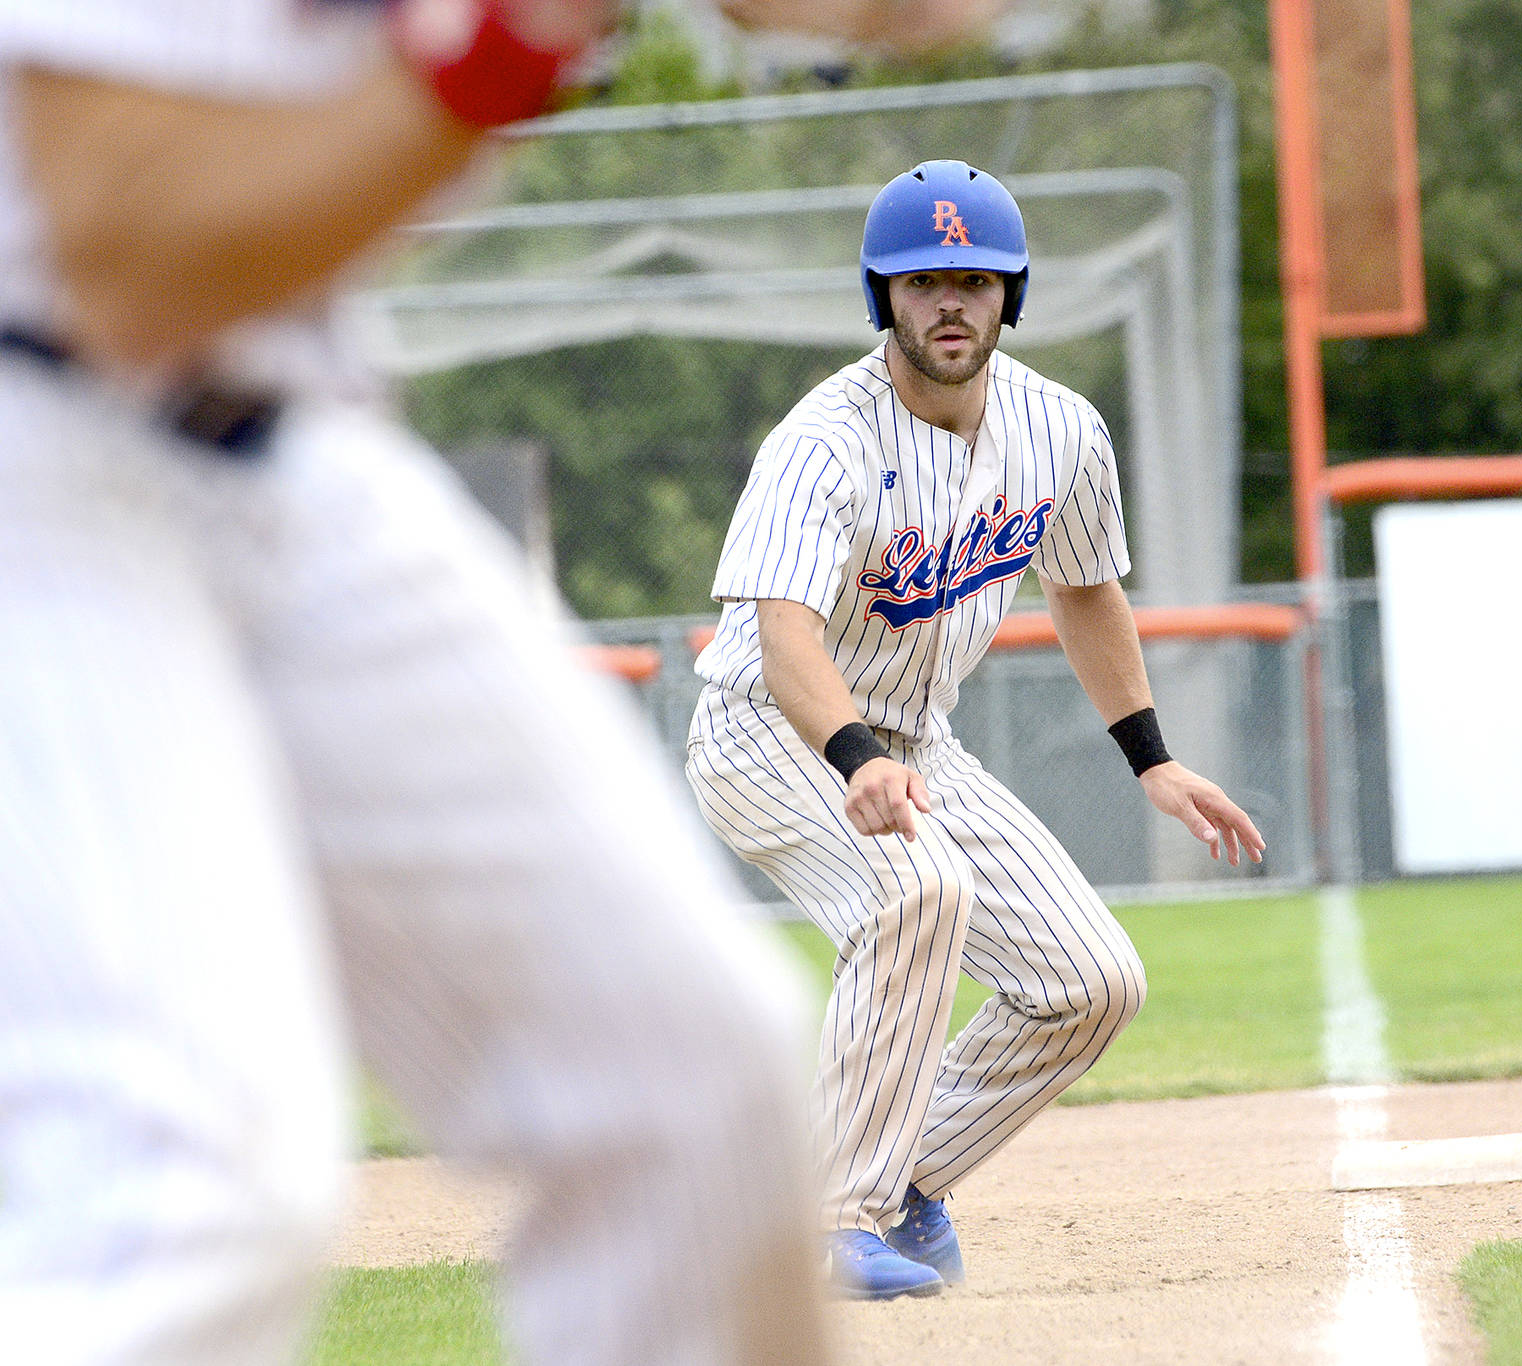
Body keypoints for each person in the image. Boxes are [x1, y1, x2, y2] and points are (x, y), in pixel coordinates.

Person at [0, 2, 889, 1362]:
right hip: (43, 446)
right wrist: (501, 47)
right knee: (181, 1182)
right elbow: (122, 248)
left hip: (281, 435)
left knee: (690, 1076)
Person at [686, 159, 1267, 1301]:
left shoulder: (1059, 431)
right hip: (770, 731)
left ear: (1011, 292)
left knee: (1090, 979)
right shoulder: (822, 440)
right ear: (880, 297)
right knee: (915, 894)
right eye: (920, 281)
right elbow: (787, 632)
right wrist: (854, 759)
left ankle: (898, 1183)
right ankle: (830, 1218)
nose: (948, 301)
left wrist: (1150, 758)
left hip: (917, 743)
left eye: (973, 278)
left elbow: (1086, 588)